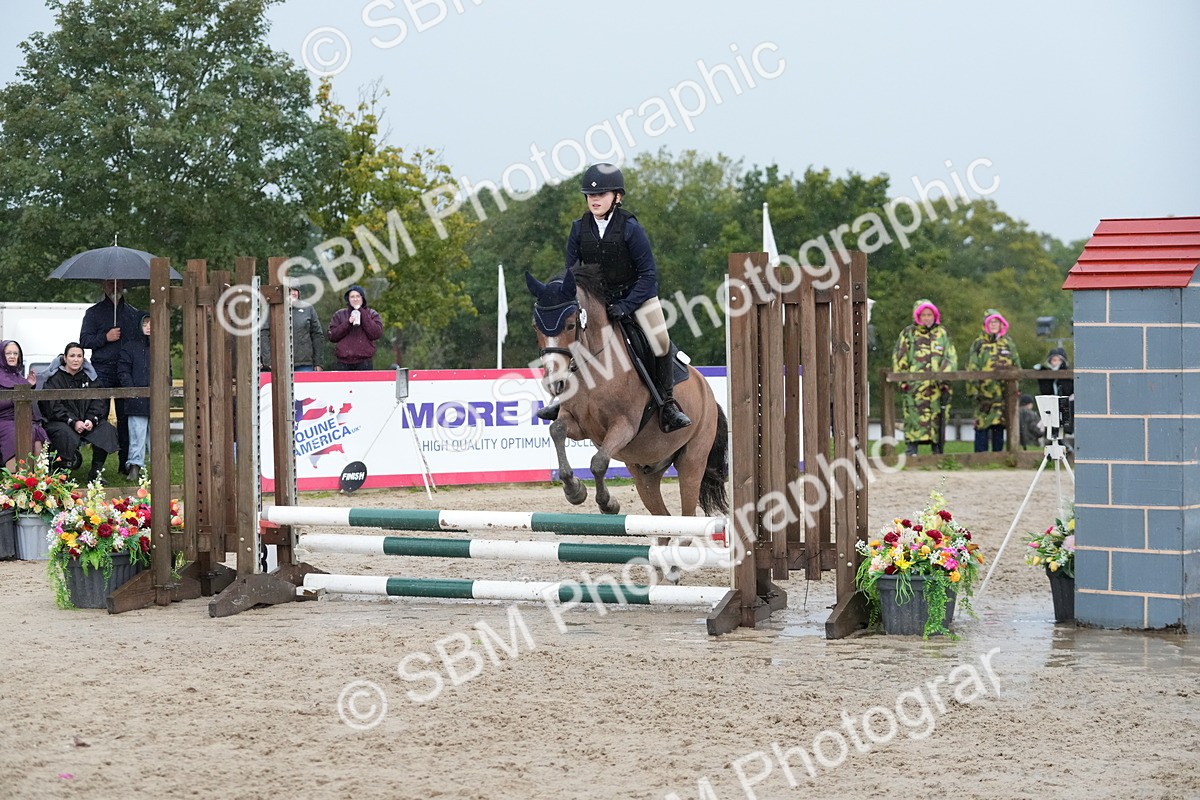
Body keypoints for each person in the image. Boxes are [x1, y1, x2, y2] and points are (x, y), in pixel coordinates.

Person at [539, 162, 690, 432]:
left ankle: (667, 404)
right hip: (596, 303)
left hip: (637, 295)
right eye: (591, 195)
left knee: (660, 340)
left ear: (617, 197)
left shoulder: (631, 228)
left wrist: (626, 305)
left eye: (601, 195)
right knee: (568, 337)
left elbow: (648, 275)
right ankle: (562, 400)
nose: (594, 200)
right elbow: (572, 274)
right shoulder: (578, 228)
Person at [79, 279, 142, 471]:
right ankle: (97, 468)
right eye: (109, 283)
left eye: (118, 283)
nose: (114, 287)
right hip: (102, 371)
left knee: (126, 417)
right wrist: (105, 337)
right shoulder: (93, 312)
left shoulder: (133, 314)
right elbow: (84, 340)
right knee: (100, 416)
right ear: (103, 286)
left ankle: (126, 464)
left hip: (126, 372)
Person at [39, 342, 120, 480]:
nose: (75, 359)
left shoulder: (90, 377)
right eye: (72, 356)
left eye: (79, 356)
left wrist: (91, 419)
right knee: (64, 433)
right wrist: (73, 422)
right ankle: (63, 470)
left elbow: (99, 401)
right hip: (61, 421)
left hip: (86, 421)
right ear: (65, 358)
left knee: (106, 429)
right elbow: (52, 406)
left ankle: (96, 472)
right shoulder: (55, 379)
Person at [893, 299, 957, 455]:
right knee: (913, 418)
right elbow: (899, 357)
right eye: (924, 315)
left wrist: (944, 378)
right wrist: (903, 381)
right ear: (918, 316)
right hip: (915, 387)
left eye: (930, 315)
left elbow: (950, 357)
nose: (927, 318)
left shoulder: (942, 333)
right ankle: (911, 450)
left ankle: (938, 451)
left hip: (937, 388)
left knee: (938, 418)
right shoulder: (908, 333)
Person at [965, 308, 1021, 452]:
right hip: (983, 395)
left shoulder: (1008, 343)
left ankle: (999, 457)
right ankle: (980, 459)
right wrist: (973, 390)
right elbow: (972, 367)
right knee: (982, 426)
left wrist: (1016, 388)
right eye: (991, 322)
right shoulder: (979, 344)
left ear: (1002, 324)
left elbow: (1016, 365)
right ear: (986, 324)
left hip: (1003, 395)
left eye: (997, 322)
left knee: (999, 427)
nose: (994, 324)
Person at [0, 340, 48, 470]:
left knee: (37, 433)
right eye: (8, 353)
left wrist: (29, 386)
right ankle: (16, 478)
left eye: (15, 353)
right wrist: (17, 396)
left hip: (23, 418)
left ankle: (36, 479)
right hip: (4, 420)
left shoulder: (19, 376)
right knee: (15, 433)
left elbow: (25, 400)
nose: (12, 356)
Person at [118, 314, 153, 483]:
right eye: (145, 323)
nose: (149, 327)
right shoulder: (129, 347)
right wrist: (133, 391)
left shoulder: (161, 347)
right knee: (137, 435)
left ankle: (157, 468)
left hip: (157, 399)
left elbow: (167, 371)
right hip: (136, 399)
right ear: (140, 325)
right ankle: (134, 467)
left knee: (157, 437)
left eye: (152, 323)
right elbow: (123, 371)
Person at [261, 287, 324, 372]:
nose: (293, 293)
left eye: (295, 290)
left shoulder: (308, 308)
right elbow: (264, 334)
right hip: (280, 362)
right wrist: (268, 361)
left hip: (304, 363)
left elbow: (317, 335)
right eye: (290, 290)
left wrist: (318, 363)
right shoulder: (273, 309)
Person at [327, 284, 383, 370]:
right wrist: (348, 323)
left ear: (362, 298)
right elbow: (332, 336)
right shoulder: (339, 314)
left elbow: (376, 334)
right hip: (343, 363)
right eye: (352, 297)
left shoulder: (372, 314)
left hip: (365, 362)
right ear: (348, 299)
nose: (355, 299)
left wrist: (362, 312)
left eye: (358, 296)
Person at [1033, 346, 1074, 437]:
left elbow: (1068, 389)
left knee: (1064, 422)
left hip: (1067, 401)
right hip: (1051, 402)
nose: (1055, 363)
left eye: (1058, 360)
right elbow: (1045, 390)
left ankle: (1065, 436)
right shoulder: (1047, 373)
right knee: (1051, 422)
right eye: (1053, 360)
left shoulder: (1067, 373)